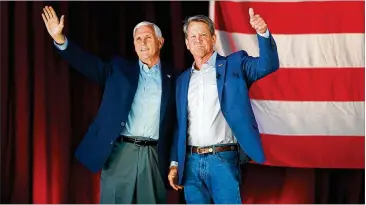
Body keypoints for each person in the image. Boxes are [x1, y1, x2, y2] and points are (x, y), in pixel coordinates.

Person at [41, 6, 176, 204]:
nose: (142, 43)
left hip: (154, 156)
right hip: (121, 152)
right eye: (138, 39)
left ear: (160, 42)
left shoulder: (175, 78)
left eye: (147, 37)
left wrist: (174, 161)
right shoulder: (119, 70)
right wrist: (60, 39)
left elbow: (179, 124)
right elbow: (88, 64)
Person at [168, 9, 280, 204]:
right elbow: (180, 125)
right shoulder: (182, 80)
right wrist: (175, 162)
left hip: (222, 161)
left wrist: (263, 33)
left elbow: (267, 65)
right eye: (192, 36)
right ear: (186, 43)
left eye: (203, 35)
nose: (197, 39)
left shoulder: (235, 65)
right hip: (191, 164)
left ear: (213, 39)